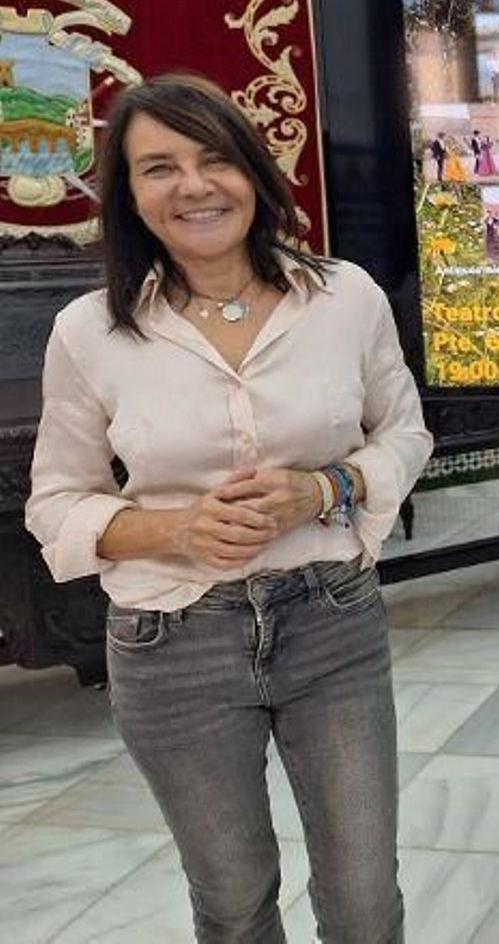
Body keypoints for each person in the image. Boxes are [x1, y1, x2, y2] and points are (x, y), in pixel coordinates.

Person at [27, 74, 433, 942]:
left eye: (215, 159)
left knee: (365, 901)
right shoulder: (89, 330)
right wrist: (178, 526)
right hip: (171, 643)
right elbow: (56, 502)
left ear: (253, 172)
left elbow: (403, 435)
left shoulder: (345, 297)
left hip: (331, 621)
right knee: (234, 902)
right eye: (159, 167)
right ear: (130, 195)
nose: (194, 186)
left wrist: (324, 488)